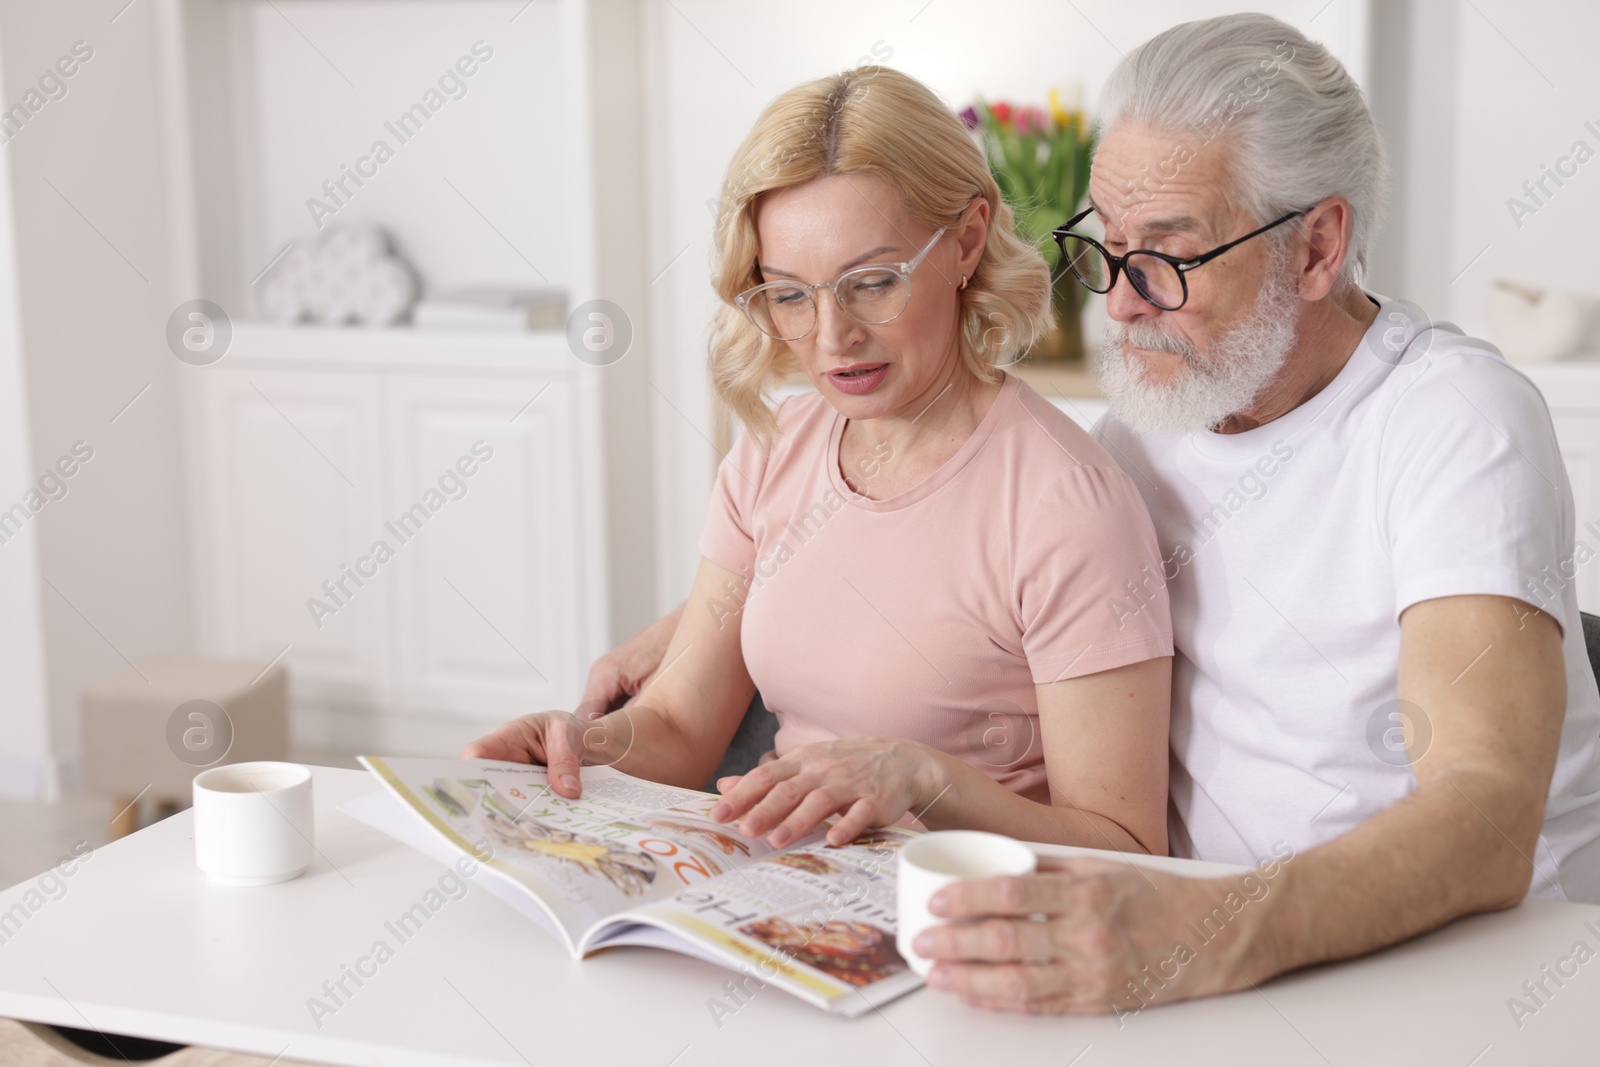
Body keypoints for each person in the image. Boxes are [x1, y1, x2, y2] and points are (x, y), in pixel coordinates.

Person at [581, 14, 1600, 1015]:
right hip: (1191, 941)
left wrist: (1210, 933)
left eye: (1167, 253)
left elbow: (1484, 813)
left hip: (1448, 960)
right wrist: (698, 628)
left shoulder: (1454, 422)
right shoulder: (1162, 407)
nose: (1118, 302)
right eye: (1106, 246)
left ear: (1317, 245)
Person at [464, 67, 1175, 855]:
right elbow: (679, 724)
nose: (833, 339)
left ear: (968, 240)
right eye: (790, 295)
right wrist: (573, 747)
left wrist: (920, 779)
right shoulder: (775, 451)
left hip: (962, 924)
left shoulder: (1063, 502)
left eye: (872, 283)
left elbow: (1124, 848)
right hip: (769, 894)